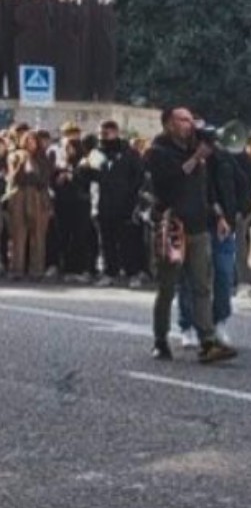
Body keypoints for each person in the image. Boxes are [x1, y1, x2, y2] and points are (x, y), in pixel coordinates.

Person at [143, 107, 236, 363]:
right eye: (182, 120)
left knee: (202, 286)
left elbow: (204, 188)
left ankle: (207, 340)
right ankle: (160, 339)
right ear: (168, 124)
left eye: (190, 119)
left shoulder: (196, 149)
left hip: (198, 227)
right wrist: (196, 157)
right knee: (168, 287)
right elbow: (170, 180)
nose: (188, 124)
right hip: (172, 226)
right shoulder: (158, 151)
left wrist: (218, 215)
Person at [177, 127, 251, 347]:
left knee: (223, 274)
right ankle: (188, 325)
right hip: (195, 224)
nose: (208, 147)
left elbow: (244, 184)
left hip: (223, 226)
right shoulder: (189, 160)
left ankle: (219, 321)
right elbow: (193, 189)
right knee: (191, 277)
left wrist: (240, 210)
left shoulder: (225, 159)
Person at [90, 121, 147, 287]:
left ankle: (133, 273)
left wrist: (133, 200)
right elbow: (89, 177)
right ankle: (110, 272)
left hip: (125, 204)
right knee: (106, 241)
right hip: (102, 204)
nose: (102, 137)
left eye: (105, 134)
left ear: (115, 132)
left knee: (128, 241)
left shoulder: (129, 153)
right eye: (100, 134)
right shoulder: (96, 153)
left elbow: (139, 177)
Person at [49, 123, 99, 281]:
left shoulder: (86, 161)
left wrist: (74, 177)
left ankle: (81, 268)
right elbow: (52, 181)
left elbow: (91, 179)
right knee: (63, 235)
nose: (68, 150)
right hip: (62, 203)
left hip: (81, 204)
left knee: (80, 236)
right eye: (66, 147)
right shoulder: (60, 162)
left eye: (71, 146)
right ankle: (66, 267)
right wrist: (59, 178)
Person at [4, 127, 53, 280]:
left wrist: (33, 172)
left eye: (34, 140)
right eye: (28, 140)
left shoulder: (43, 158)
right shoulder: (15, 156)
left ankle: (36, 270)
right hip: (20, 197)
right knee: (18, 235)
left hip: (38, 197)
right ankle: (16, 269)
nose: (31, 143)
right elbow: (14, 178)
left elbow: (44, 179)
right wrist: (23, 162)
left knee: (38, 236)